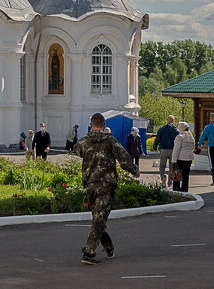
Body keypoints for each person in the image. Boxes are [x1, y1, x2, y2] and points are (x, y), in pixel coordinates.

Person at [72, 112, 140, 265]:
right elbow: (124, 158)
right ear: (103, 125)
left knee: (98, 218)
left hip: (90, 184)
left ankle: (109, 248)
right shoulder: (110, 141)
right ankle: (89, 251)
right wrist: (134, 170)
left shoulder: (84, 142)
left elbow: (74, 150)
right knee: (99, 220)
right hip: (106, 184)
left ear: (91, 125)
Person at [154, 115, 179, 188]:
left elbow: (157, 138)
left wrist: (155, 147)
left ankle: (163, 177)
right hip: (173, 150)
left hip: (164, 149)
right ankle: (170, 182)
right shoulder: (176, 130)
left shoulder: (162, 129)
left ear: (167, 120)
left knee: (162, 166)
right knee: (172, 167)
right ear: (173, 121)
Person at [171, 121, 195, 193]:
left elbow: (176, 149)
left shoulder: (180, 136)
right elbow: (192, 147)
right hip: (189, 159)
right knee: (186, 175)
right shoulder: (191, 137)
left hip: (180, 158)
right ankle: (185, 189)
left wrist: (173, 160)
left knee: (177, 174)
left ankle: (176, 189)